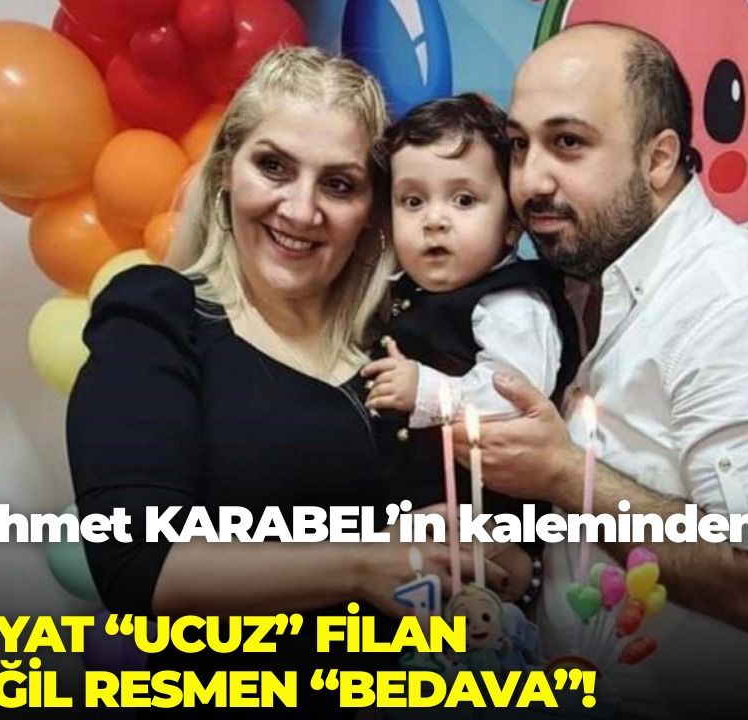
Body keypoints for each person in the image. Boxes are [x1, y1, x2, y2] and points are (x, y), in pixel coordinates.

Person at [66, 47, 511, 718]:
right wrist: (367, 561)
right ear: (226, 170)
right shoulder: (159, 314)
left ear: (371, 210)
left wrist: (499, 560)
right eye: (273, 166)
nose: (301, 211)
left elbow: (466, 539)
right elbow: (138, 567)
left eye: (339, 184)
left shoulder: (397, 351)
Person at [454, 23, 748, 719]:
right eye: (520, 146)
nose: (530, 181)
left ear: (659, 158)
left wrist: (564, 476)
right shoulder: (570, 281)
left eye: (568, 143)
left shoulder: (745, 306)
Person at [360, 94, 582, 605]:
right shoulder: (403, 293)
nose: (434, 220)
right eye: (412, 202)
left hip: (488, 532)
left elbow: (514, 400)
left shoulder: (511, 304)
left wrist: (427, 391)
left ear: (511, 224)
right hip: (411, 531)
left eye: (463, 200)